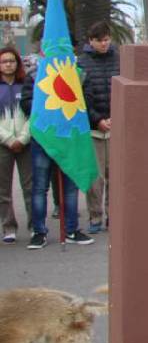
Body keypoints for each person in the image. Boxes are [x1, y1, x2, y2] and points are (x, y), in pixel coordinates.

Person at [19, 61, 92, 247]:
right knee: (39, 187)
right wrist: (48, 110)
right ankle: (39, 231)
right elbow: (26, 102)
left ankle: (71, 230)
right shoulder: (34, 75)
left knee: (70, 187)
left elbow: (86, 100)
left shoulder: (78, 74)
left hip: (69, 137)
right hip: (43, 137)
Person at [77, 21, 119, 234]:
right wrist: (97, 120)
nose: (104, 44)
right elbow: (80, 97)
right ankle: (95, 216)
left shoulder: (119, 59)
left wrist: (115, 117)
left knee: (115, 175)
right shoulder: (82, 64)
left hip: (117, 127)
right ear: (90, 41)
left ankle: (114, 215)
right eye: (99, 40)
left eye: (106, 39)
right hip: (93, 128)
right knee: (96, 177)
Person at [0, 45, 32, 243]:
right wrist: (9, 139)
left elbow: (33, 113)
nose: (8, 64)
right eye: (4, 61)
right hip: (3, 144)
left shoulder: (26, 84)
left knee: (30, 187)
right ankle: (9, 227)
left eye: (12, 61)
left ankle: (34, 226)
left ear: (17, 63)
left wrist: (22, 138)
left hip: (25, 143)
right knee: (3, 189)